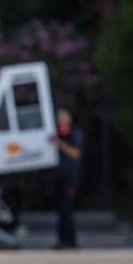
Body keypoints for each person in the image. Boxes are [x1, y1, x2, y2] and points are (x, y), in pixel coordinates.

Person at [50, 107, 82, 250]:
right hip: (58, 179)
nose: (61, 119)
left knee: (67, 210)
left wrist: (60, 144)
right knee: (61, 211)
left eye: (63, 116)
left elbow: (75, 153)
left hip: (70, 179)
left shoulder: (74, 134)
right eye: (59, 117)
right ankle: (62, 240)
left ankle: (70, 241)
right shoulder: (54, 134)